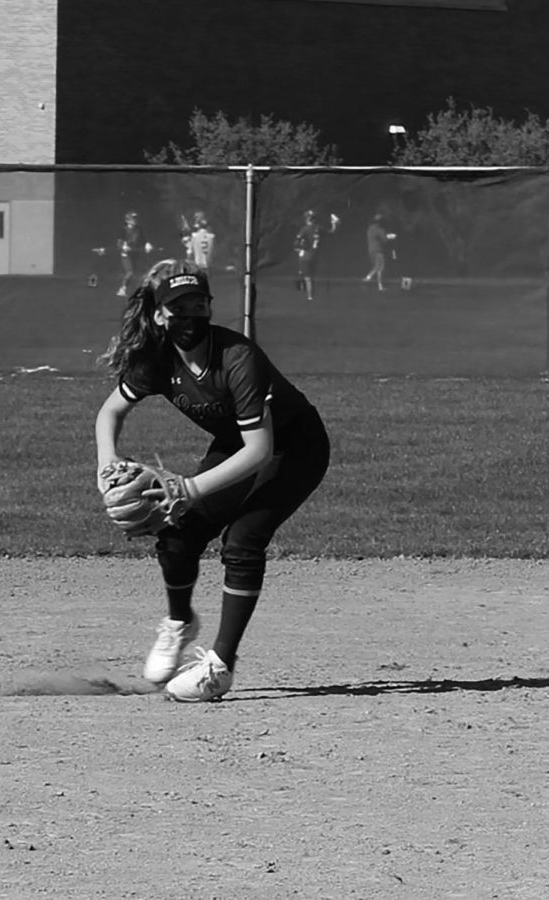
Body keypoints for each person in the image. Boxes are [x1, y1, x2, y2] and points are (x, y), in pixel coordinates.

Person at [95, 259, 330, 702]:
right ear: (160, 315)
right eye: (178, 308)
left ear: (210, 308)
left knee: (242, 539)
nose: (189, 317)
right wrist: (106, 465)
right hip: (235, 444)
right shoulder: (158, 360)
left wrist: (188, 489)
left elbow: (260, 451)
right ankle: (179, 622)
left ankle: (219, 668)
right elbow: (111, 412)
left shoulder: (237, 357)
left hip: (296, 448)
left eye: (197, 305)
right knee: (178, 532)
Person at [293, 210, 339, 301]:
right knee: (310, 277)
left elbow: (297, 243)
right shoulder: (319, 228)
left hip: (305, 256)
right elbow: (331, 231)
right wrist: (334, 223)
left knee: (307, 278)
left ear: (308, 219)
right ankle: (309, 294)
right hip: (315, 256)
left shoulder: (305, 229)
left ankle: (310, 297)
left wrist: (299, 249)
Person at [116, 211, 153, 298]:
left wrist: (147, 245)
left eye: (135, 219)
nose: (135, 221)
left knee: (135, 272)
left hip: (135, 254)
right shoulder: (123, 230)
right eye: (133, 219)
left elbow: (144, 240)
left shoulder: (138, 229)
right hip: (126, 255)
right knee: (130, 272)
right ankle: (122, 289)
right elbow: (119, 244)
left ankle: (133, 290)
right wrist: (123, 247)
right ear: (127, 221)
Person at [363, 213, 396, 292]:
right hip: (378, 251)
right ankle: (376, 284)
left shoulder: (370, 229)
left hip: (371, 251)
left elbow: (377, 237)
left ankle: (370, 279)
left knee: (377, 267)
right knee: (380, 268)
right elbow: (384, 240)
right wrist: (390, 237)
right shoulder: (380, 230)